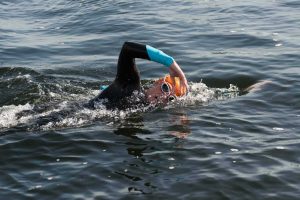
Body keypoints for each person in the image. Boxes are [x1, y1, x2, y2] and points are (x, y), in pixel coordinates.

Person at [87, 42, 188, 109]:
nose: (164, 96)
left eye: (171, 98)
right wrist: (170, 61)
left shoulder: (145, 110)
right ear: (158, 82)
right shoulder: (130, 84)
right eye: (165, 88)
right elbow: (127, 49)